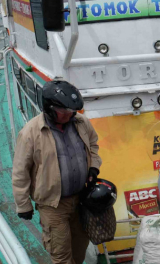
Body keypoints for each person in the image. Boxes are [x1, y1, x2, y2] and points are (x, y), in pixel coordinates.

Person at [12, 80, 102, 264]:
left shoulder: (81, 122)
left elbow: (93, 144)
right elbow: (20, 172)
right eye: (65, 111)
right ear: (49, 108)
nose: (69, 115)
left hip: (81, 199)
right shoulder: (30, 133)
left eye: (72, 111)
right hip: (53, 205)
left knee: (80, 245)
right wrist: (23, 205)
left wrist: (93, 166)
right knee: (60, 253)